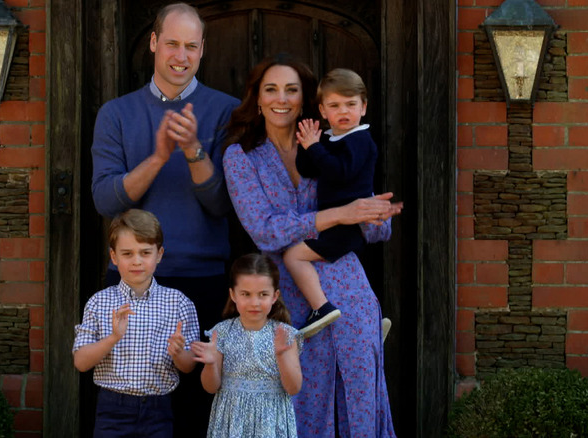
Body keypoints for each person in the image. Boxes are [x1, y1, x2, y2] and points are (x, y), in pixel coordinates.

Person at [222, 53, 402, 437]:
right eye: (271, 90)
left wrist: (374, 215)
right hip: (288, 298)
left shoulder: (334, 145)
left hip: (350, 291)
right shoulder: (241, 158)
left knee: (358, 398)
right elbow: (265, 231)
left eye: (291, 90)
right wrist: (340, 215)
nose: (281, 99)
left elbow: (373, 228)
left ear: (304, 100)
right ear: (258, 98)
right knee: (298, 405)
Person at [90, 3, 240, 436]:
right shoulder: (116, 114)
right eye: (172, 43)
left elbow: (223, 205)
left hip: (203, 281)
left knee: (196, 410)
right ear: (154, 43)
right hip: (132, 282)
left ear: (202, 50)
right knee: (133, 406)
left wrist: (193, 150)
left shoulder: (225, 111)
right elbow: (105, 199)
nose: (181, 54)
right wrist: (158, 157)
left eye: (191, 46)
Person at [72, 209, 200, 438]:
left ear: (159, 254)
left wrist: (179, 353)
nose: (137, 261)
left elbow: (189, 366)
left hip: (158, 410)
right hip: (112, 409)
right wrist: (112, 338)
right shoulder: (99, 302)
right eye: (127, 253)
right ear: (114, 257)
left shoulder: (179, 303)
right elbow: (81, 362)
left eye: (145, 252)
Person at [284, 68, 377, 338]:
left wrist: (315, 147)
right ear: (323, 111)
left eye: (351, 104)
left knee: (293, 255)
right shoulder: (331, 138)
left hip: (346, 226)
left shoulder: (360, 140)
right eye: (335, 106)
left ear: (364, 107)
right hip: (334, 222)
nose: (344, 111)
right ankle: (365, 323)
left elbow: (339, 172)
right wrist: (306, 144)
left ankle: (321, 308)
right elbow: (309, 169)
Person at [191, 253, 301, 438]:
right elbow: (210, 387)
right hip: (231, 419)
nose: (254, 302)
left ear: (275, 296)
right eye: (246, 294)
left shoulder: (285, 334)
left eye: (263, 294)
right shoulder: (222, 332)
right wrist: (210, 364)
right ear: (233, 294)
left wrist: (281, 356)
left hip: (271, 421)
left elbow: (294, 388)